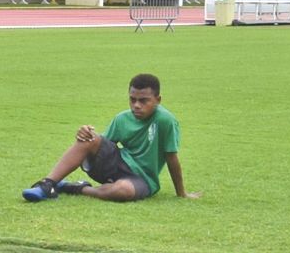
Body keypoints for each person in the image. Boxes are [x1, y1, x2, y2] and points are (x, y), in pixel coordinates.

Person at [21, 73, 186, 203]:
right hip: (117, 165)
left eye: (144, 101)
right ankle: (47, 185)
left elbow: (171, 157)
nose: (136, 105)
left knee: (123, 191)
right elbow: (102, 147)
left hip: (142, 178)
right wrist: (85, 135)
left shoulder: (166, 121)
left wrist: (181, 193)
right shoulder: (122, 118)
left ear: (158, 100)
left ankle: (75, 188)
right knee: (89, 138)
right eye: (132, 99)